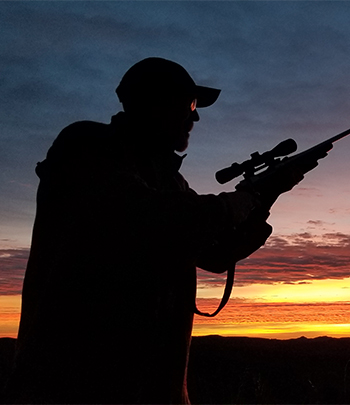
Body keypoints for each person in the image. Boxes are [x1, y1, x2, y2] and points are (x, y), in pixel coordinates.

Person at [6, 57, 303, 404]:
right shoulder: (85, 145)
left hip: (155, 386)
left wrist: (264, 198)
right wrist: (239, 202)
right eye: (189, 104)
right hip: (74, 381)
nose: (195, 117)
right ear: (153, 103)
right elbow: (148, 219)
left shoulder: (170, 181)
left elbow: (215, 254)